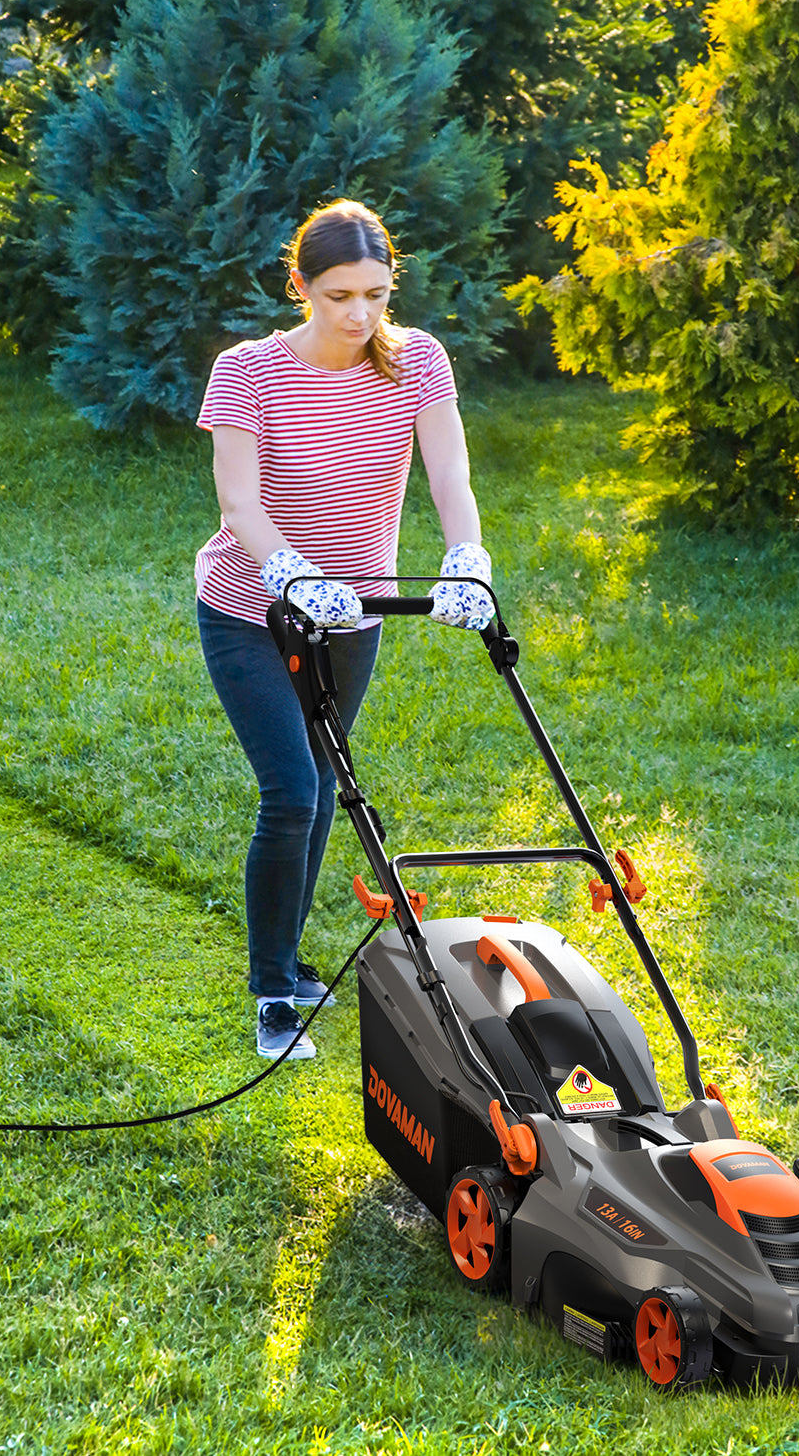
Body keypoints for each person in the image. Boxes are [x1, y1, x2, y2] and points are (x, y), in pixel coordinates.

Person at [195, 200, 493, 1061]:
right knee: (290, 791)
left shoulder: (418, 363)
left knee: (325, 788)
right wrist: (290, 570)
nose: (360, 314)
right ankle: (272, 996)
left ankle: (288, 961)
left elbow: (450, 472)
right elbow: (237, 502)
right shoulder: (248, 371)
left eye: (374, 292)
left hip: (355, 611)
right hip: (248, 607)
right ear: (300, 288)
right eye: (337, 296)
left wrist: (466, 555)